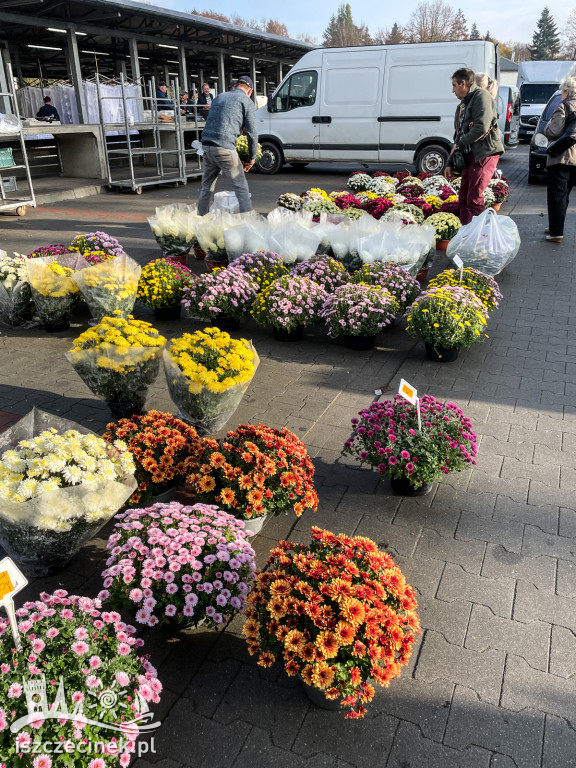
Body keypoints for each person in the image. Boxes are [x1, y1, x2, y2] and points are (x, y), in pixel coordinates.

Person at [444, 67, 504, 225]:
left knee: (474, 199)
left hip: (484, 154)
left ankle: (485, 234)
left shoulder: (481, 96)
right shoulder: (463, 104)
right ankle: (466, 233)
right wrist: (450, 163)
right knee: (464, 199)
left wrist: (461, 142)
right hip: (470, 156)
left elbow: (481, 128)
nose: (452, 90)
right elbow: (458, 136)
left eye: (454, 85)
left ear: (463, 83)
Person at [197, 75, 257, 215]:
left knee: (206, 188)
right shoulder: (246, 101)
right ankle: (247, 223)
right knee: (241, 188)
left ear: (235, 86)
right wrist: (252, 157)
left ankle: (201, 220)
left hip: (206, 146)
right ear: (250, 91)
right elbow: (252, 133)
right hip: (224, 148)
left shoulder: (219, 97)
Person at [544, 76, 576, 243]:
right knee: (565, 195)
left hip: (561, 157)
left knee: (557, 196)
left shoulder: (564, 106)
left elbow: (554, 131)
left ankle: (556, 232)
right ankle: (556, 226)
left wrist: (547, 127)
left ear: (566, 92)